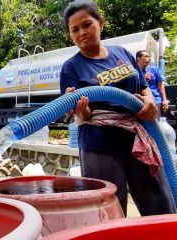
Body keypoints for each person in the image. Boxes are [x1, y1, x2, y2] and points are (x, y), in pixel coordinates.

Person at [60, 0, 175, 216]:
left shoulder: (121, 53)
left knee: (160, 204)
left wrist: (149, 101)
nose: (81, 32)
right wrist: (79, 109)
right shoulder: (71, 67)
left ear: (101, 23)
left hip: (139, 138)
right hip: (100, 146)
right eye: (74, 29)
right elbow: (83, 114)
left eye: (87, 24)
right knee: (108, 210)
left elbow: (143, 87)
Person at [136, 50, 169, 120]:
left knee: (155, 123)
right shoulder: (134, 71)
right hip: (140, 101)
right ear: (138, 58)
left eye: (149, 57)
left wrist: (164, 100)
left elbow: (160, 85)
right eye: (145, 56)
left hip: (155, 100)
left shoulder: (155, 69)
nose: (148, 59)